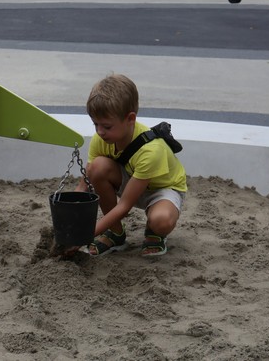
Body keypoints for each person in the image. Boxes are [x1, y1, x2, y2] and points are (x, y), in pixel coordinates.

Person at [72, 74, 186, 257]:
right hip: (130, 178)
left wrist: (84, 236)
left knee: (161, 221)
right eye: (95, 124)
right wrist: (69, 220)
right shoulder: (101, 139)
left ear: (130, 119)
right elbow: (83, 185)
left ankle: (154, 232)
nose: (100, 132)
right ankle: (116, 233)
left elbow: (124, 205)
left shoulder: (151, 151)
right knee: (97, 167)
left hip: (162, 189)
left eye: (107, 126)